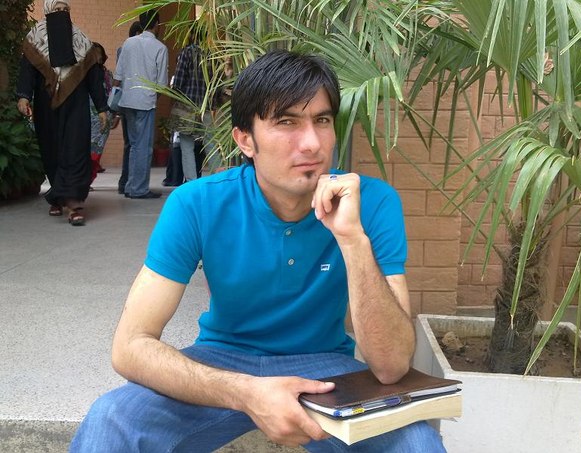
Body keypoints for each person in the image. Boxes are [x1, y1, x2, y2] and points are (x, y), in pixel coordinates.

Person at [70, 51, 446, 452]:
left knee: (415, 442)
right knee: (111, 420)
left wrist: (352, 239)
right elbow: (130, 346)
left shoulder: (370, 202)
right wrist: (248, 392)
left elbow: (391, 367)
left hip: (326, 369)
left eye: (322, 120)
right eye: (286, 122)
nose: (312, 143)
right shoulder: (198, 203)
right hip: (222, 360)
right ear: (245, 140)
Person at [16, 0, 108, 226]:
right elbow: (27, 71)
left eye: (65, 10)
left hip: (77, 106)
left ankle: (74, 204)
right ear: (48, 11)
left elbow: (94, 78)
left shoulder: (82, 41)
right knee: (52, 151)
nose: (61, 14)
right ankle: (58, 197)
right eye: (57, 10)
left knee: (76, 150)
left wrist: (102, 108)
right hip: (46, 106)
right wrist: (24, 96)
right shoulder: (34, 39)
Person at [113, 9, 168, 199]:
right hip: (146, 102)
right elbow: (161, 84)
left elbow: (118, 76)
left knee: (133, 145)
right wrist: (153, 98)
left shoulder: (128, 43)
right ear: (157, 24)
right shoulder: (160, 48)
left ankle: (130, 185)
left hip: (127, 100)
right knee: (144, 147)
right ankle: (138, 188)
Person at [169, 30, 219, 182]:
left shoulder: (186, 53)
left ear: (191, 36)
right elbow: (217, 84)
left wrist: (174, 98)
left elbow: (178, 81)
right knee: (210, 144)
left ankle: (191, 181)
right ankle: (218, 178)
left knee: (187, 146)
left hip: (187, 106)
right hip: (206, 107)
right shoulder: (212, 55)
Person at [116, 21, 143, 195]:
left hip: (125, 101)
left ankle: (125, 181)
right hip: (137, 101)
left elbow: (119, 78)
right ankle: (130, 182)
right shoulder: (136, 50)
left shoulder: (122, 48)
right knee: (136, 144)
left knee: (129, 144)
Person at [89, 42, 117, 185]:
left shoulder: (107, 74)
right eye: (94, 53)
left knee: (97, 151)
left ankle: (89, 179)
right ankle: (84, 180)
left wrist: (116, 114)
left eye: (99, 53)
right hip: (87, 118)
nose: (97, 56)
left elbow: (113, 95)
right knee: (86, 151)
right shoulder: (83, 75)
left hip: (104, 117)